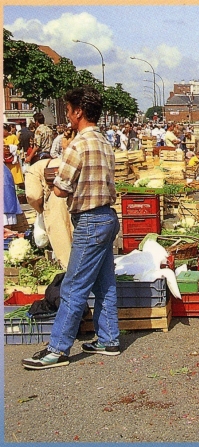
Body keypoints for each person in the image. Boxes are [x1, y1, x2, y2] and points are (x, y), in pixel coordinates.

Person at [22, 85, 120, 370]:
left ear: (79, 112)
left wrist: (50, 179)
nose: (66, 115)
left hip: (89, 220)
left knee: (73, 286)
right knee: (104, 283)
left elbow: (62, 189)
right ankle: (108, 339)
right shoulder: (103, 141)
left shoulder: (78, 144)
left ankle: (57, 349)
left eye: (67, 110)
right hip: (107, 217)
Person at [4, 123, 24, 187]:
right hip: (4, 162)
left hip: (12, 161)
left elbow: (18, 147)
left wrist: (11, 148)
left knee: (14, 177)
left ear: (7, 130)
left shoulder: (13, 137)